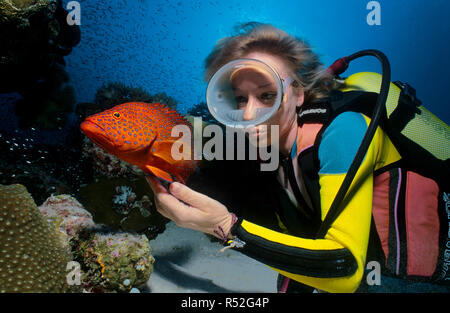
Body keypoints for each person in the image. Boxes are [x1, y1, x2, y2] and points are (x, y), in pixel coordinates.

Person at [146, 23, 446, 293]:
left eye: (267, 95)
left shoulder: (345, 131)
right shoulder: (268, 153)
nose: (249, 115)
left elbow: (348, 272)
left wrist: (227, 228)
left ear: (299, 95)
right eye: (239, 100)